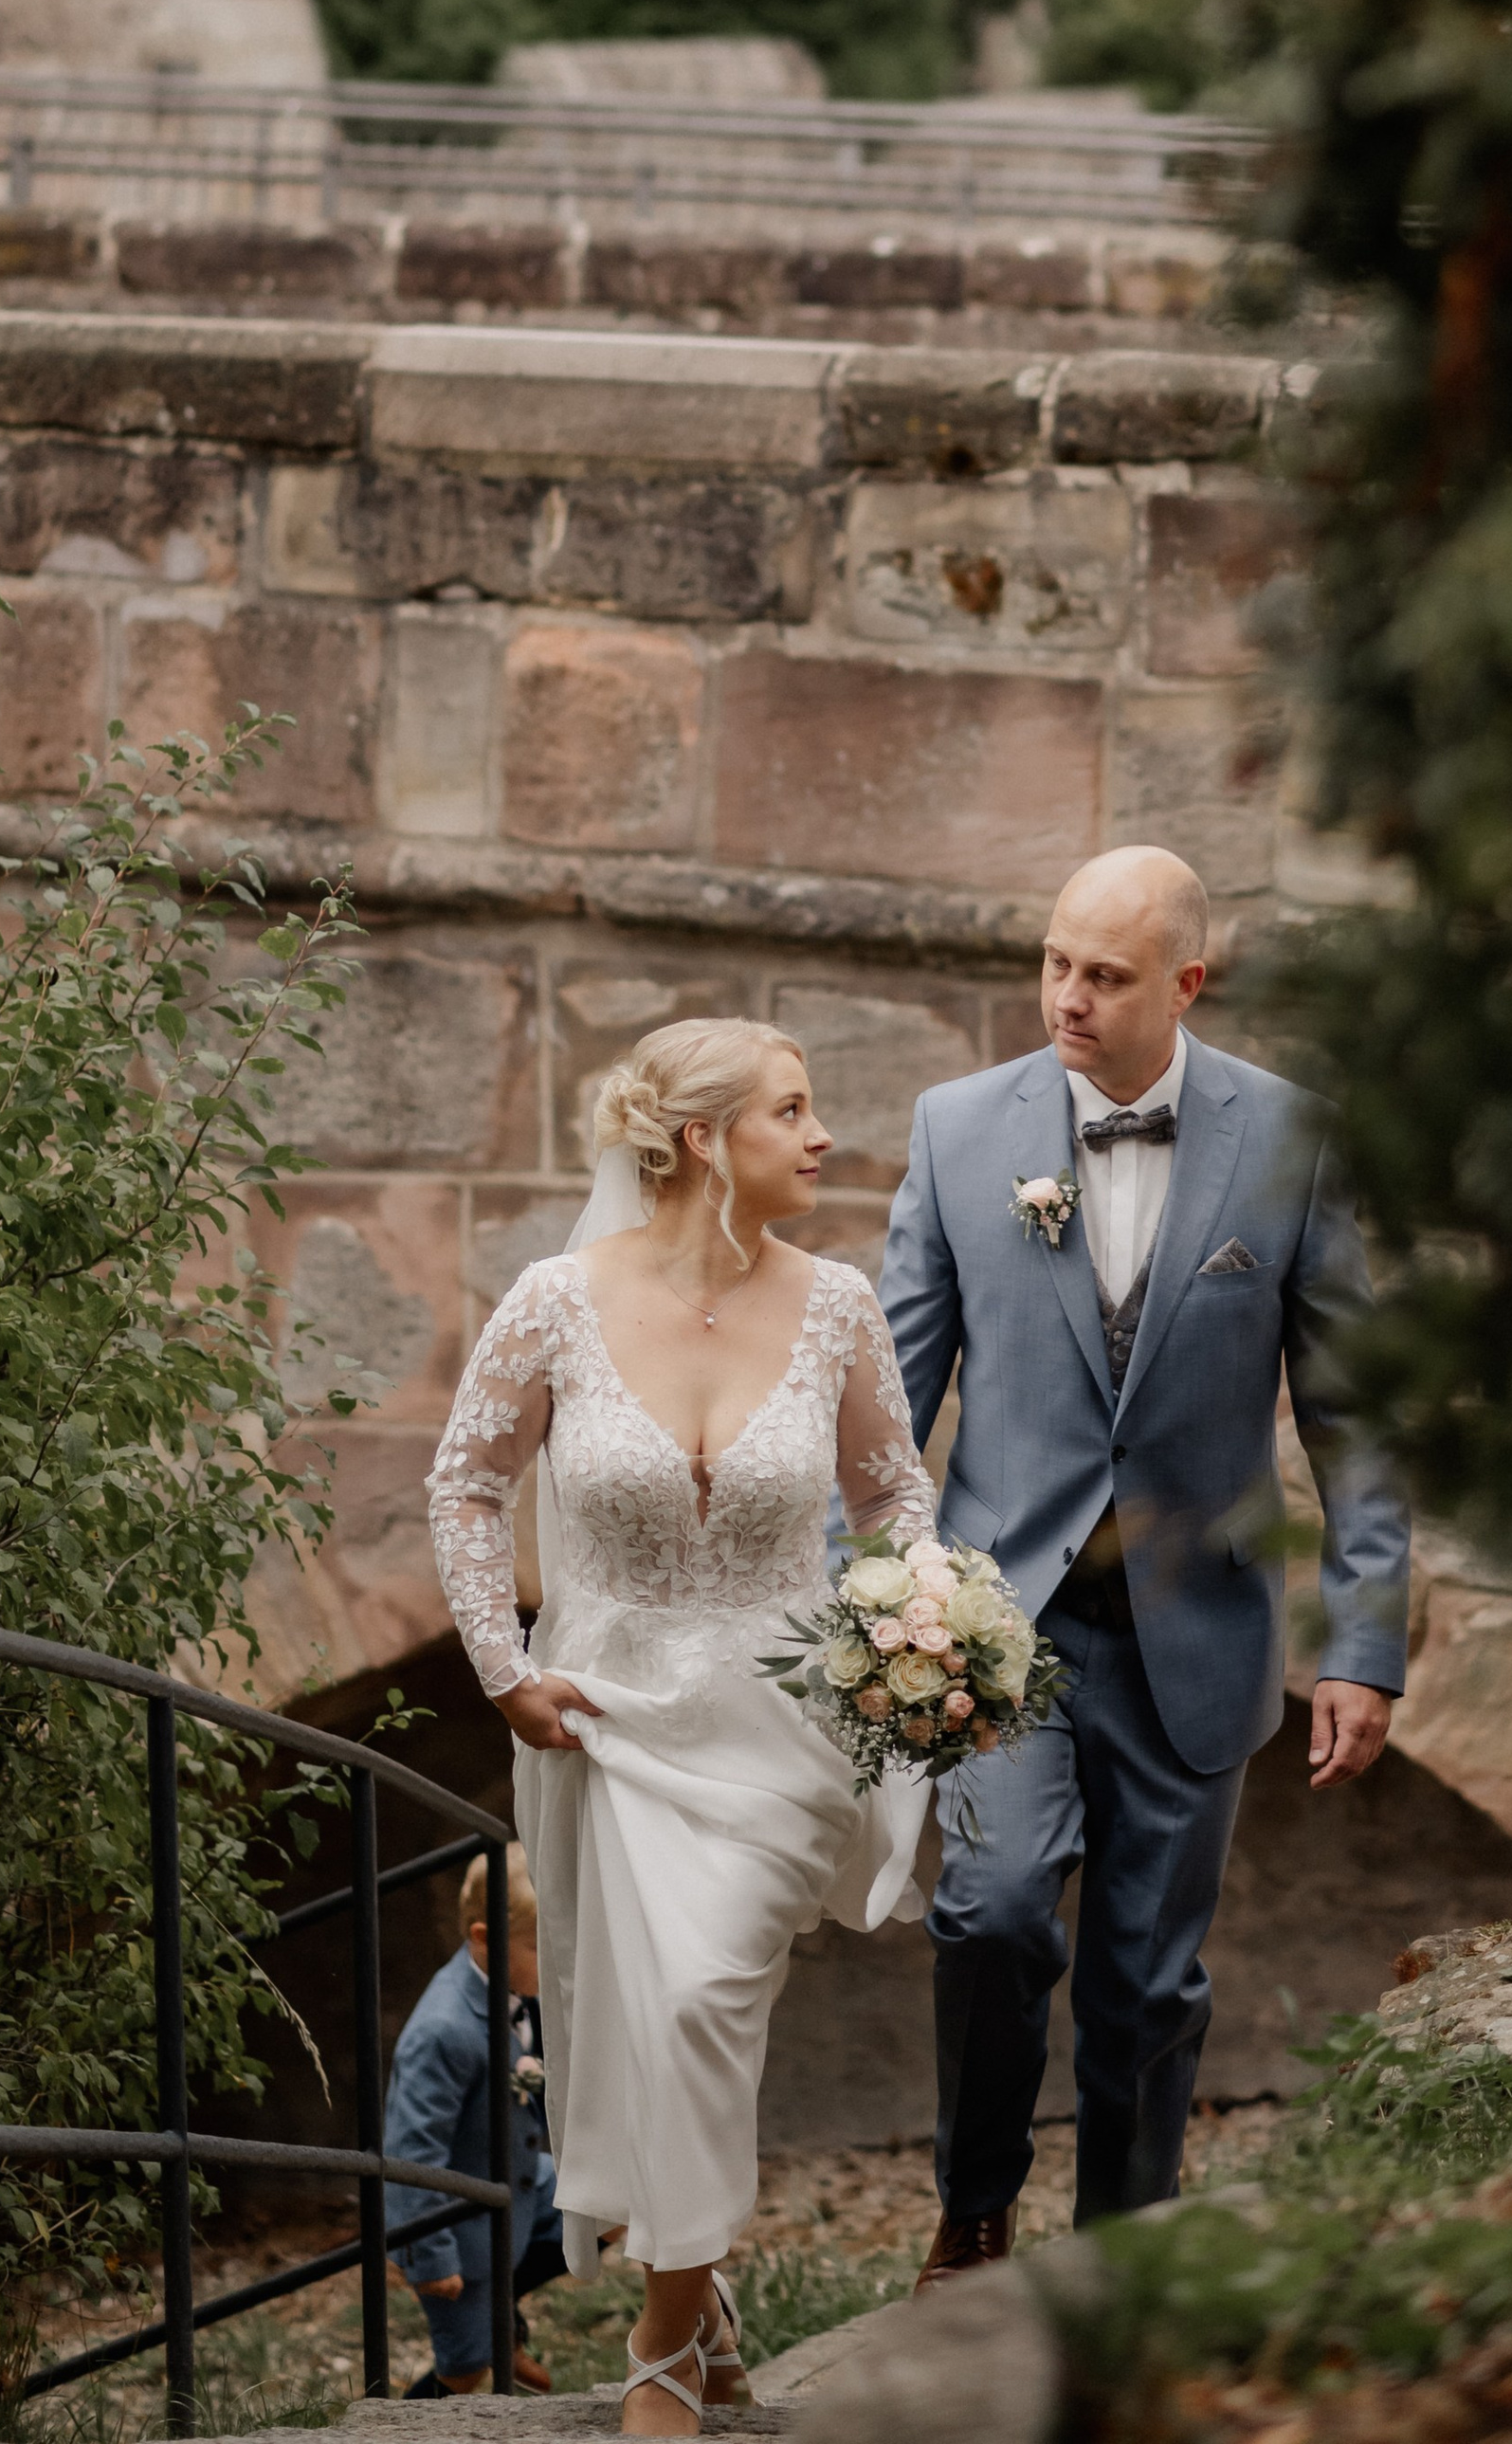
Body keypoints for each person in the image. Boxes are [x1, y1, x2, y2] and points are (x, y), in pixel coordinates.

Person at [878, 843, 1410, 2288]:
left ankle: (1117, 2266)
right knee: (989, 1915)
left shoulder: (1292, 1140)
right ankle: (975, 2213)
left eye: (1104, 975)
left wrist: (1365, 1641)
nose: (1066, 995)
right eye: (1054, 961)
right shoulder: (956, 1129)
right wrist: (873, 1598)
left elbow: (1353, 1414)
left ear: (1188, 982)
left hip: (1198, 1630)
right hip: (997, 1621)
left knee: (1145, 1982)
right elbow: (881, 1405)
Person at [427, 1019, 936, 2440]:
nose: (823, 1134)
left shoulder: (837, 1304)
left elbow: (895, 1497)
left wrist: (913, 1630)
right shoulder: (554, 1302)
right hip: (601, 1721)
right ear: (706, 1140)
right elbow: (465, 1485)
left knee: (706, 1993)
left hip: (780, 1727)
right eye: (794, 1107)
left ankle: (656, 2336)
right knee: (644, 2016)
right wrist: (498, 1663)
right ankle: (696, 2307)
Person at [384, 1843, 566, 2398]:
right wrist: (430, 2257)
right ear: (483, 1939)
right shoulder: (443, 2030)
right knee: (465, 2371)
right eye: (542, 1946)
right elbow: (412, 2156)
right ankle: (402, 2434)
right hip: (457, 2226)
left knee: (610, 2199)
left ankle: (499, 2315)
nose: (557, 1960)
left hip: (515, 2181)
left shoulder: (517, 1987)